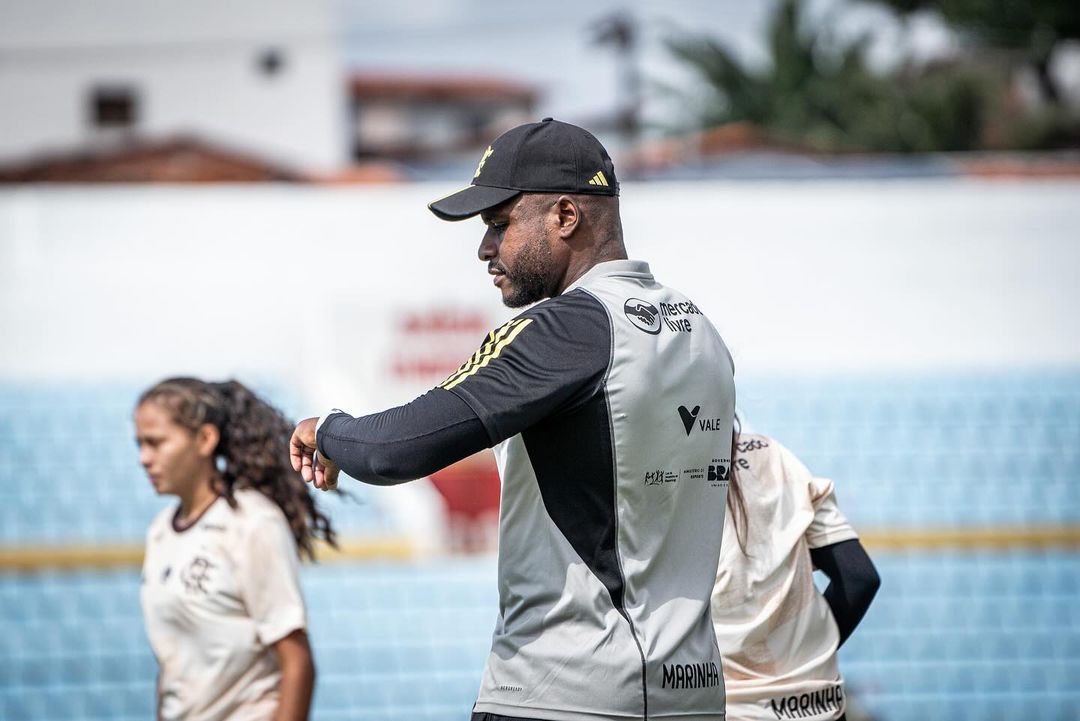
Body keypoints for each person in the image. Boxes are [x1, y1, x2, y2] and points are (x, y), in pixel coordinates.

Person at [289, 118, 737, 721]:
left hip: (564, 691)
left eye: (500, 225)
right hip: (693, 695)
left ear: (566, 217)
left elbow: (399, 448)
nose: (484, 248)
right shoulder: (700, 333)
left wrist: (329, 431)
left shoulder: (567, 328)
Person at [135, 377, 336, 721]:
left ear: (205, 439)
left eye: (156, 443)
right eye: (139, 444)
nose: (144, 458)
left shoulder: (252, 523)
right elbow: (173, 664)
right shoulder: (159, 532)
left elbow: (298, 663)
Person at [712, 432, 880, 721]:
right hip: (821, 707)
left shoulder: (664, 472)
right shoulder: (774, 455)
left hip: (732, 710)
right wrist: (806, 660)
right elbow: (859, 577)